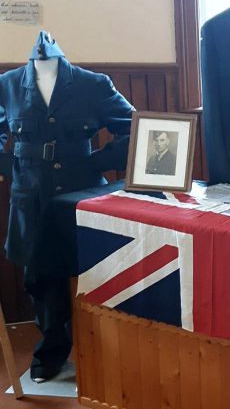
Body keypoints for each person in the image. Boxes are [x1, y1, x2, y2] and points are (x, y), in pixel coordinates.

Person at [0, 31, 135, 382]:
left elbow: (135, 128)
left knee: (98, 275)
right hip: (31, 199)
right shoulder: (9, 84)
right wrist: (11, 167)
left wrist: (97, 163)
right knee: (41, 279)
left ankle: (110, 355)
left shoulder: (92, 84)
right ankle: (53, 352)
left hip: (82, 196)